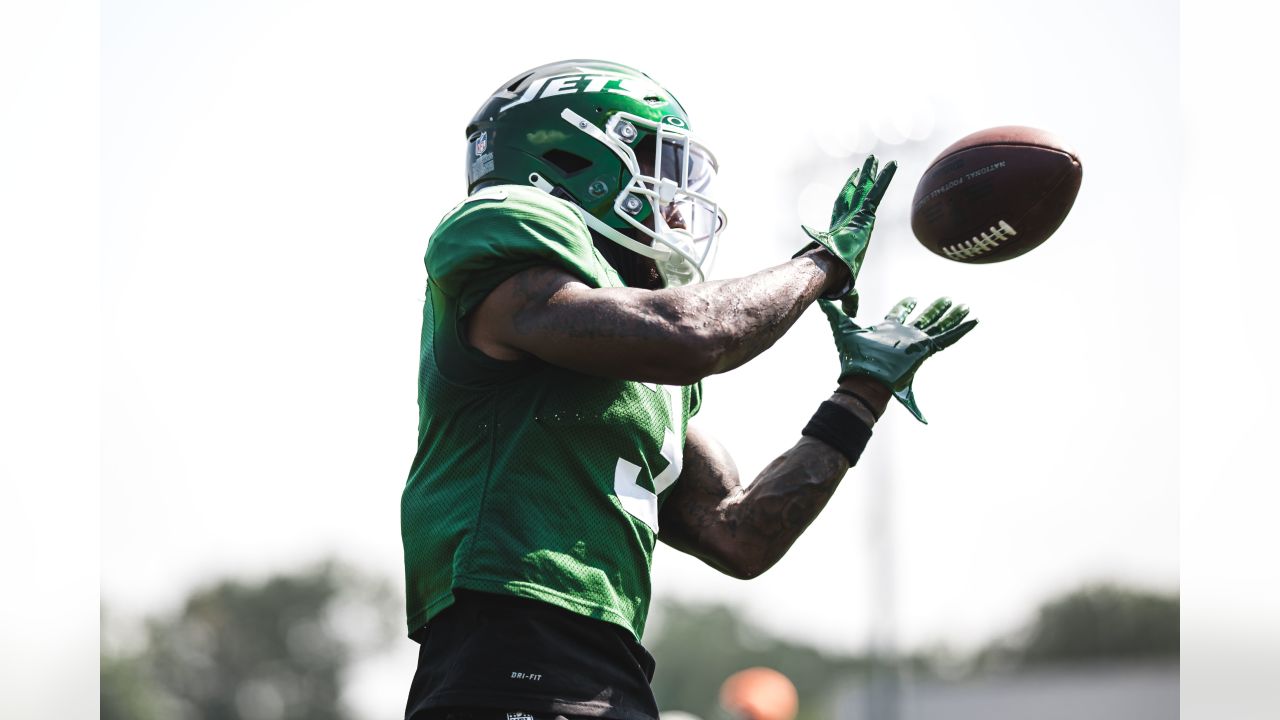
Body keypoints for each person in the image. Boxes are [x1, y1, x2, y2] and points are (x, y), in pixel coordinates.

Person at [401, 59, 977, 720]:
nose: (674, 203)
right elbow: (693, 334)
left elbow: (738, 534)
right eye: (657, 169)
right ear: (571, 160)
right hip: (505, 655)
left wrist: (861, 393)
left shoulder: (643, 355)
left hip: (610, 668)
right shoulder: (508, 233)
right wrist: (821, 264)